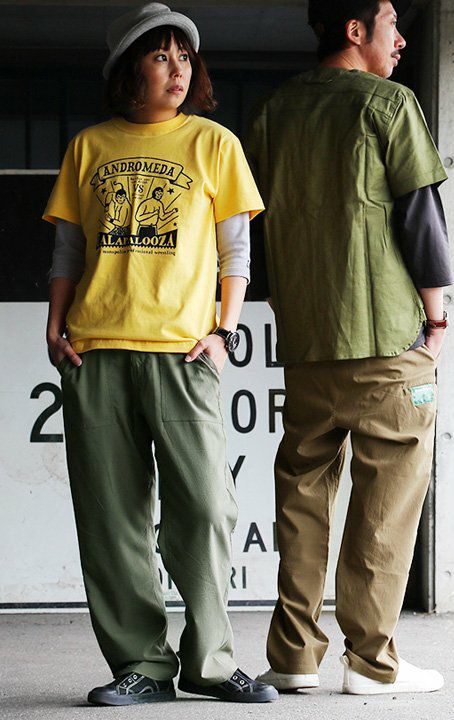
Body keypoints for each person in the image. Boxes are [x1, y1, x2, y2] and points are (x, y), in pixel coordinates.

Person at [43, 2, 277, 706]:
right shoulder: (89, 146)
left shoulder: (213, 143)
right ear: (128, 70)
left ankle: (211, 662)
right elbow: (68, 250)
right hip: (96, 350)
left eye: (184, 57)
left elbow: (237, 252)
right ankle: (141, 666)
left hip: (184, 353)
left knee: (205, 507)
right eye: (159, 56)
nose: (177, 70)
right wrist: (55, 327)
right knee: (111, 519)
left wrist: (224, 331)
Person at [246, 0, 453, 696]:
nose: (402, 40)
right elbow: (421, 219)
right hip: (387, 338)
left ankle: (293, 657)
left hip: (307, 343)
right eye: (393, 25)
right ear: (356, 30)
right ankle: (371, 661)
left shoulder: (272, 113)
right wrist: (436, 319)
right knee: (385, 500)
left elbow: (251, 229)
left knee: (301, 495)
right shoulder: (389, 104)